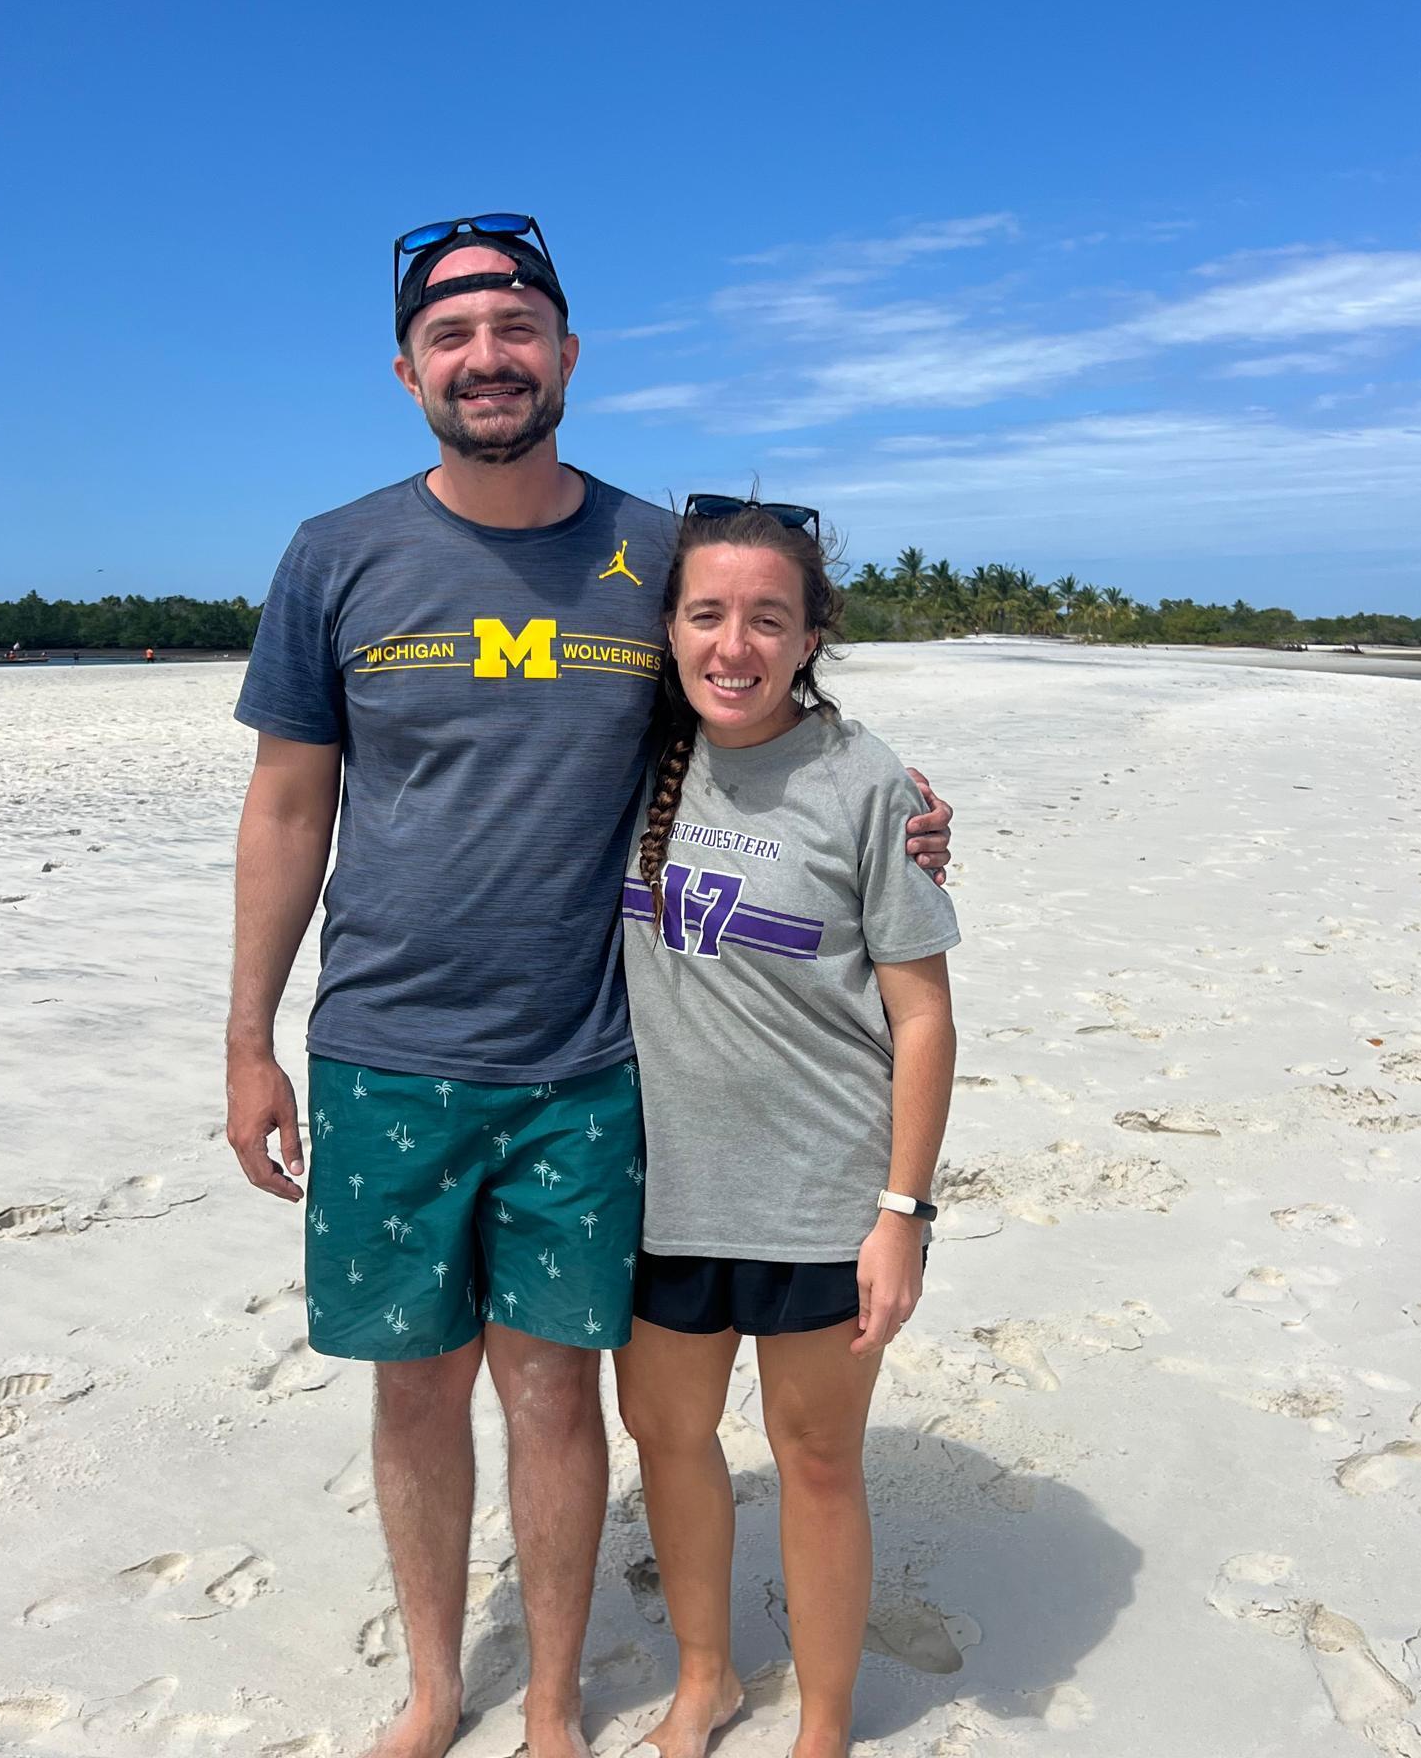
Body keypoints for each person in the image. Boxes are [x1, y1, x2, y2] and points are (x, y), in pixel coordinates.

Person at [225, 215, 954, 1758]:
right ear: (409, 367)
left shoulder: (649, 556)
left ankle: (554, 1701)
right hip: (378, 1050)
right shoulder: (335, 553)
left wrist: (897, 800)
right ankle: (439, 1686)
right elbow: (289, 807)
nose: (485, 358)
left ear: (566, 352)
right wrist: (248, 1038)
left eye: (515, 328)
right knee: (413, 1395)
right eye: (452, 335)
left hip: (583, 1068)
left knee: (557, 1395)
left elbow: (754, 697)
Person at [613, 501, 958, 1758]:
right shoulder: (631, 755)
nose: (735, 644)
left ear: (813, 634)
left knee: (815, 1461)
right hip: (661, 1189)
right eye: (707, 614)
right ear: (669, 627)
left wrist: (902, 1214)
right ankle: (703, 1678)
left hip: (823, 1191)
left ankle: (821, 1725)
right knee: (668, 1437)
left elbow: (923, 1019)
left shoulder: (868, 782)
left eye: (769, 617)